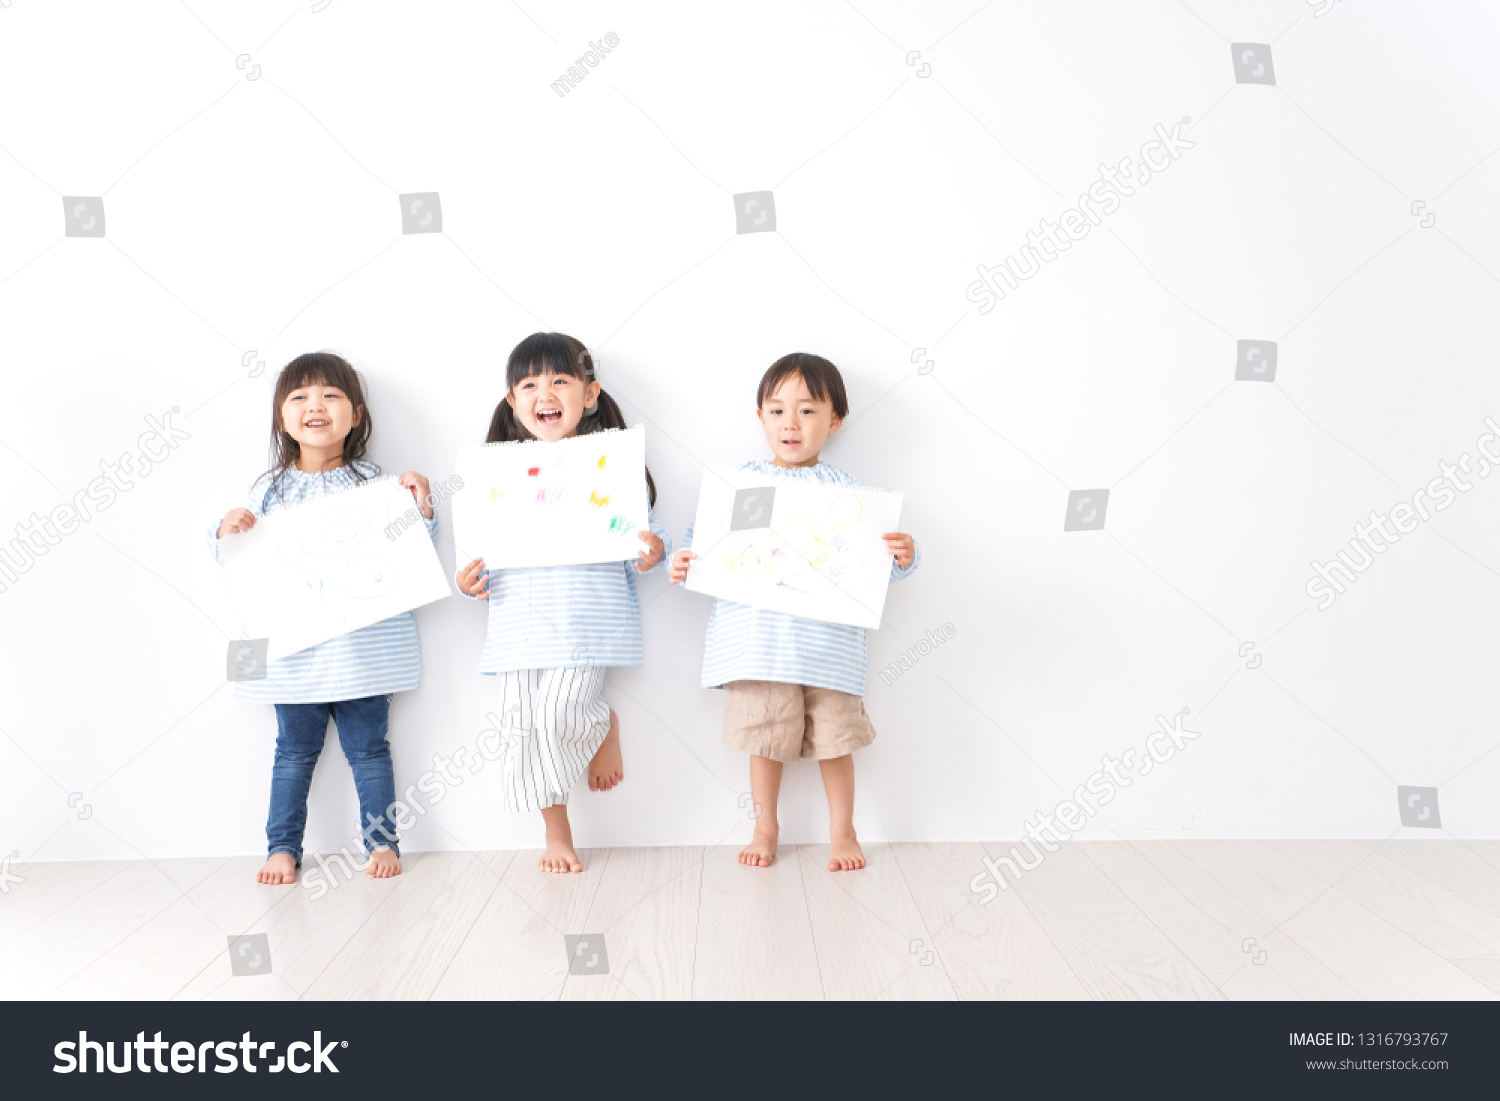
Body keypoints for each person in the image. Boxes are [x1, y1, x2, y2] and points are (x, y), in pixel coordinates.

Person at [670, 353, 919, 871]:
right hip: (759, 645)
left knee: (836, 741)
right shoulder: (743, 486)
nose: (791, 423)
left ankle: (843, 831)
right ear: (760, 415)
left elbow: (873, 569)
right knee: (765, 739)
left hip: (830, 649)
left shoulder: (848, 494)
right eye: (778, 410)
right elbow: (708, 545)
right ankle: (765, 825)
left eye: (807, 411)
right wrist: (687, 562)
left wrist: (902, 557)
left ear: (835, 421)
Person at [212, 352, 438, 885]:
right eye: (300, 397)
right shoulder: (266, 492)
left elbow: (413, 554)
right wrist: (226, 528)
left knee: (370, 751)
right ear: (281, 419)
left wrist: (421, 505)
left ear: (356, 416)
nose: (316, 406)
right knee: (292, 753)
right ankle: (282, 847)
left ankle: (382, 845)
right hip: (295, 658)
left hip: (362, 653)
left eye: (331, 396)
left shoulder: (375, 484)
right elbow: (236, 566)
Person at [456, 332, 669, 873]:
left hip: (586, 622)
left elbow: (641, 539)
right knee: (519, 725)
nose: (543, 393)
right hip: (516, 624)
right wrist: (468, 581)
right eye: (528, 384)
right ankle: (557, 832)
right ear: (512, 401)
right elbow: (477, 554)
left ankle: (600, 723)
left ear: (588, 394)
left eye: (559, 380)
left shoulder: (613, 466)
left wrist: (651, 551)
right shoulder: (493, 474)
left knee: (559, 712)